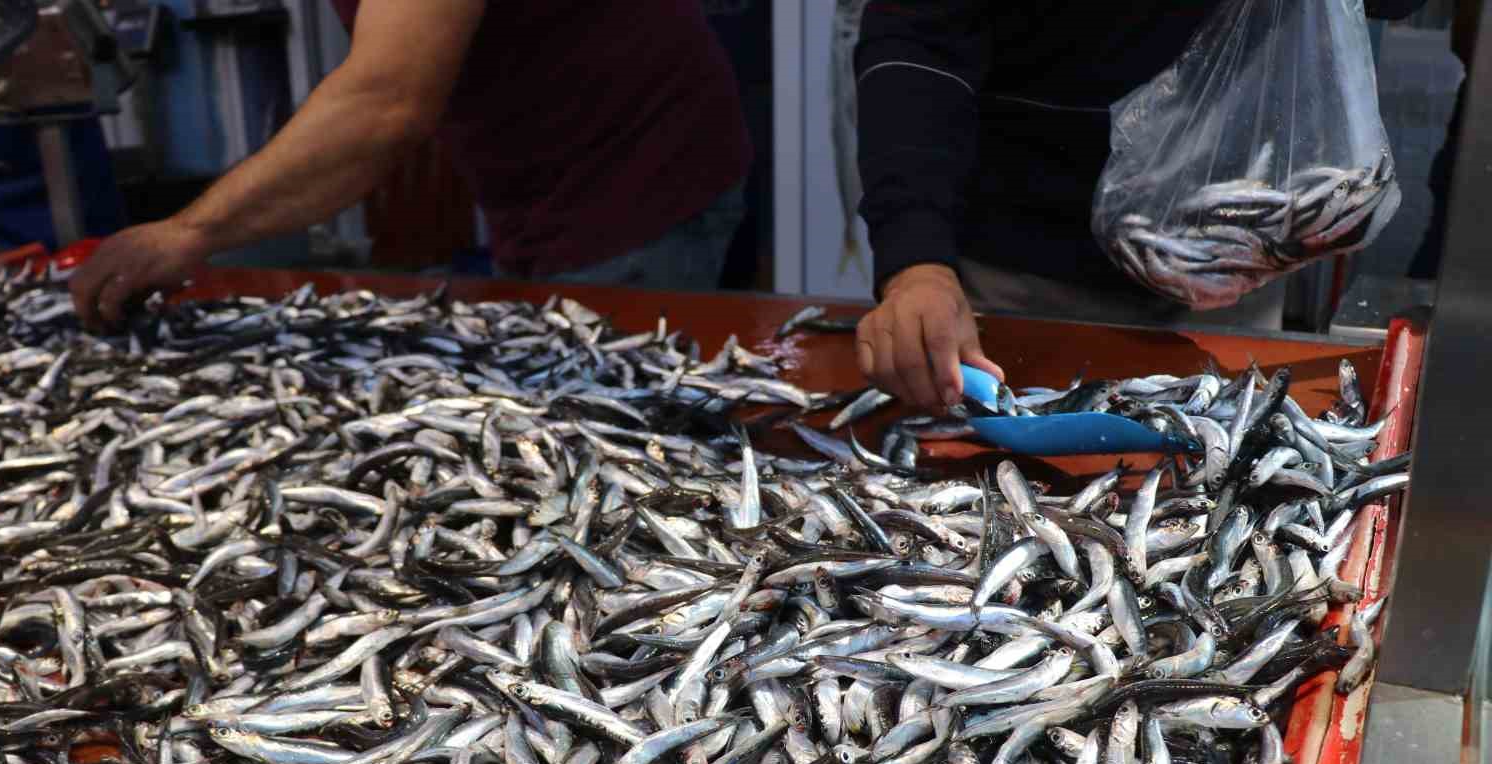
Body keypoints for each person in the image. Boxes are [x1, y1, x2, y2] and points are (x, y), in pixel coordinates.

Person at [851, 1, 1430, 411]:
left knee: (1212, 489)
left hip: (1230, 258)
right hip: (1015, 286)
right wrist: (916, 264)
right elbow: (919, 43)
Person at [71, 0, 750, 329]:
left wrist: (189, 232)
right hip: (543, 180)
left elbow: (386, 104)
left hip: (632, 184)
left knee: (615, 431)